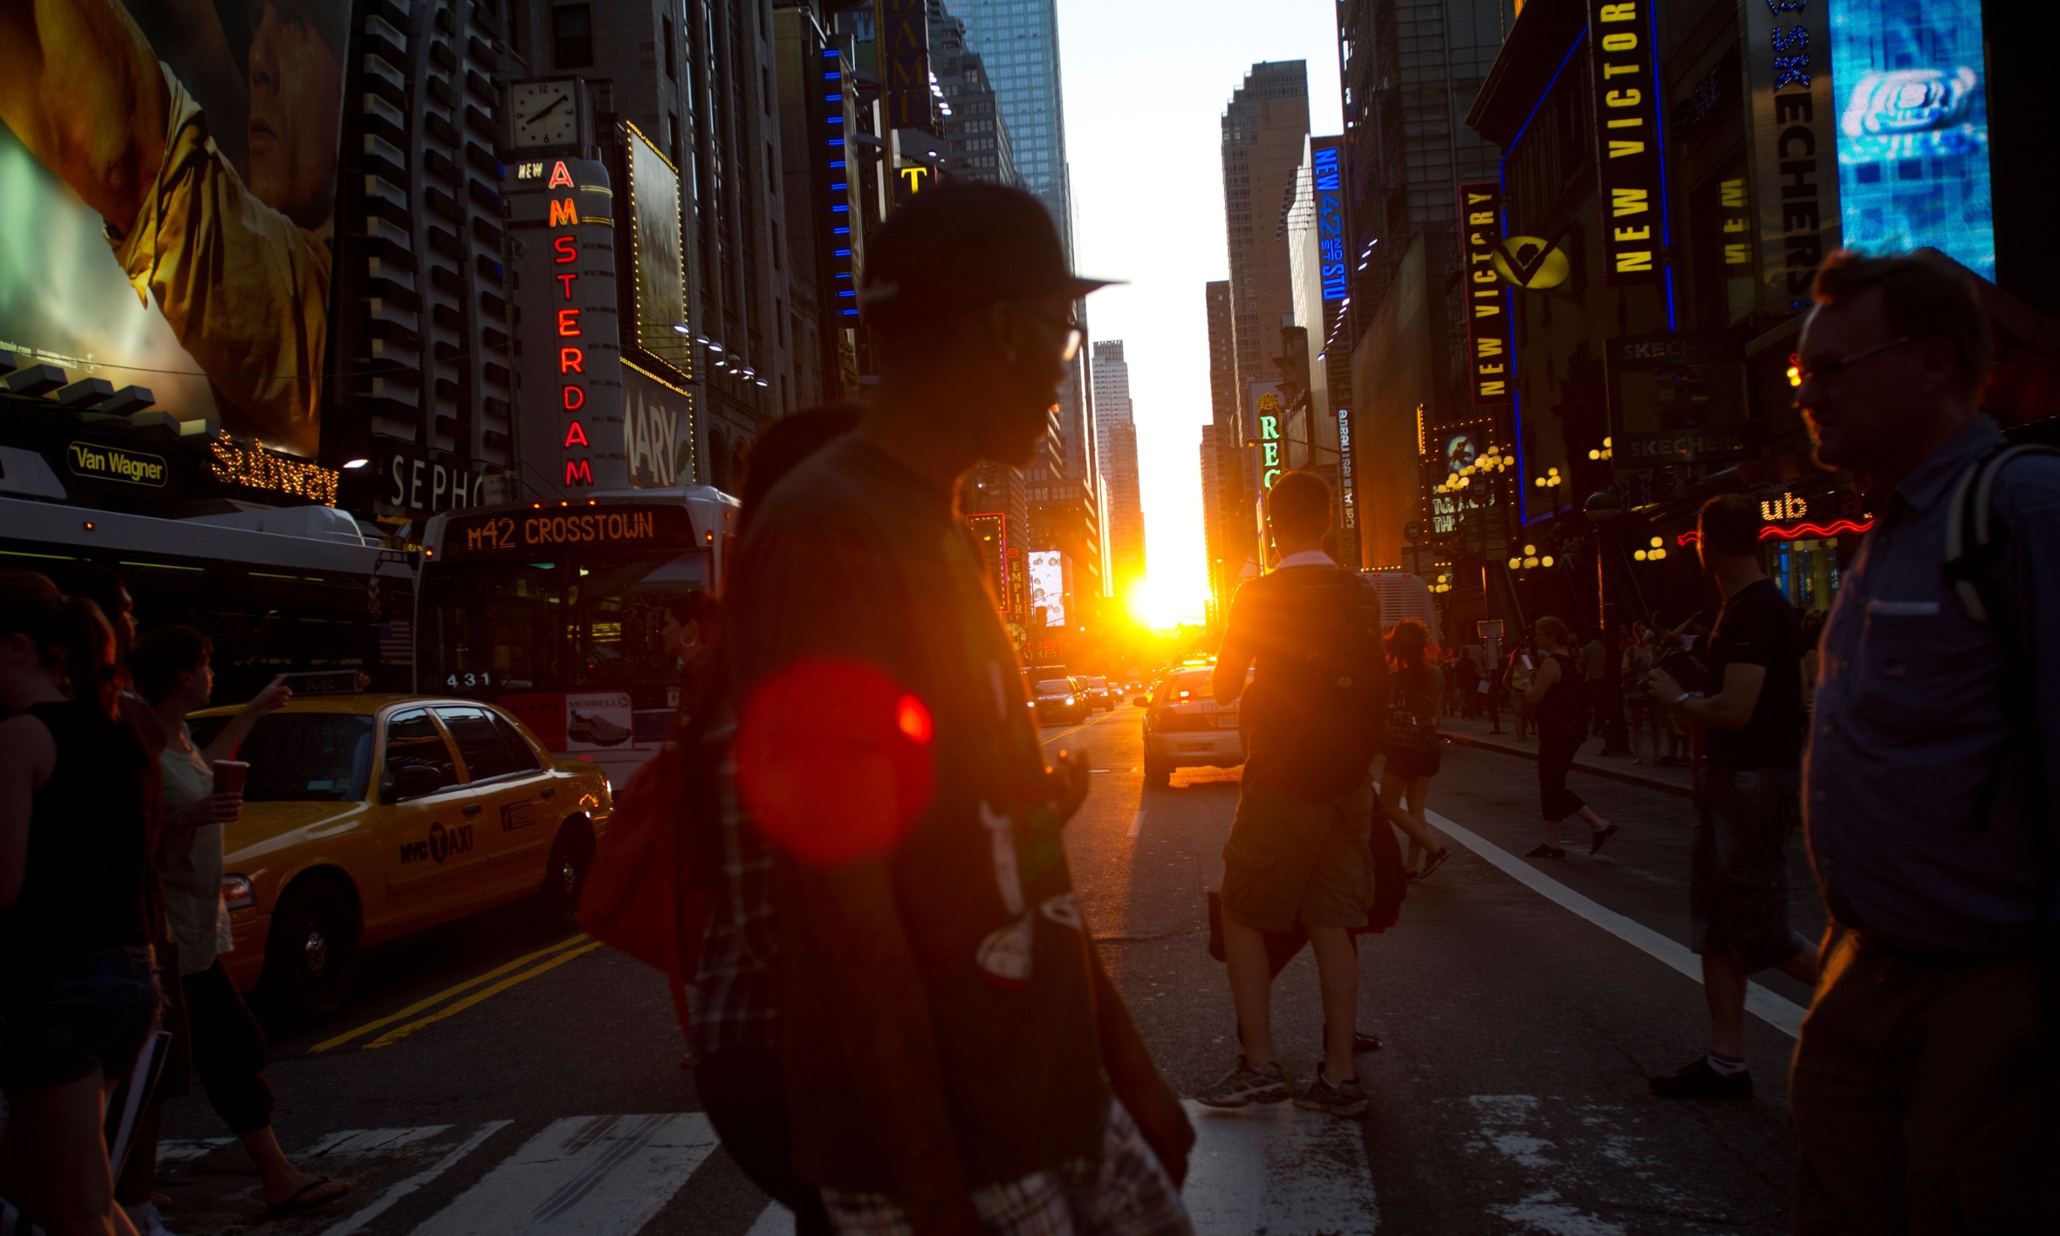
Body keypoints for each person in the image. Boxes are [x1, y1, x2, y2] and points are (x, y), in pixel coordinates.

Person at [724, 183, 1193, 1234]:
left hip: (1050, 1108)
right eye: (1059, 336)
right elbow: (840, 902)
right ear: (998, 331)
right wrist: (932, 1190)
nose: (1061, 372)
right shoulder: (826, 534)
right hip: (951, 1151)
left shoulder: (934, 525)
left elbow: (1026, 855)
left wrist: (1125, 1069)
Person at [1787, 251, 2060, 1230]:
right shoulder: (1888, 529)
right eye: (1799, 376)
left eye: (1831, 371)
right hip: (1863, 971)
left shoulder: (2019, 513)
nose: (1810, 396)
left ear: (1933, 362)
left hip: (1982, 991)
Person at [0, 0, 347, 455]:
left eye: (296, 25)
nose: (258, 63)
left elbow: (128, 156)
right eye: (253, 27)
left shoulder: (334, 318)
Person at [689, 403, 861, 1236]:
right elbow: (808, 931)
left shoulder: (769, 654)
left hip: (774, 1054)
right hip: (791, 1052)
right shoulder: (792, 681)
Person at [126, 627, 352, 1222]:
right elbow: (127, 832)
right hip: (165, 934)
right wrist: (196, 816)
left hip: (196, 929)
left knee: (159, 1061)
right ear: (184, 674)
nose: (211, 676)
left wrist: (254, 710)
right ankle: (275, 1177)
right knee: (225, 1052)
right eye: (206, 665)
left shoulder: (175, 737)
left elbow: (217, 758)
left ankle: (132, 1184)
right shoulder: (140, 741)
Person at [1199, 470, 1387, 1120]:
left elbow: (1223, 686)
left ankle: (1260, 1065)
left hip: (1282, 778)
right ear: (1330, 521)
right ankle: (1338, 1077)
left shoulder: (1259, 594)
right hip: (1348, 780)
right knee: (1332, 921)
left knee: (1244, 912)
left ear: (1273, 526)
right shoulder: (1361, 594)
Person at [1644, 497, 1820, 1097]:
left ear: (1705, 544)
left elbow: (1738, 710)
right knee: (1716, 930)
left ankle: (1883, 1017)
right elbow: (1793, 696)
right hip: (1733, 777)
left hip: (1750, 781)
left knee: (1764, 932)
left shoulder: (1754, 611)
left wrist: (1676, 697)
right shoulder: (1759, 609)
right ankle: (1727, 1062)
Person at [0, 572, 156, 1236]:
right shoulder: (120, 732)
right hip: (130, 977)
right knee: (53, 1183)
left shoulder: (21, 739)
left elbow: (2, 885)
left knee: (74, 1206)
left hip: (56, 982)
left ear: (15, 647)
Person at [1523, 616, 1617, 859]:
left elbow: (1534, 698)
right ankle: (1553, 842)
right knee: (1551, 784)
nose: (1536, 638)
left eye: (1539, 634)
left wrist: (1526, 682)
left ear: (1552, 636)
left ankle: (1598, 823)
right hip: (1569, 733)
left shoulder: (1551, 664)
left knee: (1553, 784)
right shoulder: (1570, 662)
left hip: (1556, 733)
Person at [1380, 620, 1451, 881]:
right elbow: (1436, 708)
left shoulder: (1395, 679)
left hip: (1405, 745)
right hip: (1430, 742)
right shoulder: (1436, 674)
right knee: (1416, 806)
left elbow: (1383, 710)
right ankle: (1411, 867)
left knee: (1388, 805)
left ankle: (1435, 849)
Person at [1621, 626, 1660, 765]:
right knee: (1636, 724)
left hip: (1651, 689)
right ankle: (1638, 754)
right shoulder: (1631, 651)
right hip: (1637, 691)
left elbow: (1659, 665)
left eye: (1643, 630)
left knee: (1655, 723)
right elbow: (1623, 672)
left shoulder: (1654, 649)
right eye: (1638, 631)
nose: (1641, 633)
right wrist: (1634, 668)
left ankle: (1657, 753)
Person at [1505, 639, 1535, 741]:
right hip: (1516, 691)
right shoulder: (1513, 665)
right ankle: (1519, 735)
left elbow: (1533, 673)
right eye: (1521, 654)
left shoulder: (1528, 664)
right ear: (1516, 655)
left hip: (1525, 691)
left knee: (1525, 714)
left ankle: (1524, 733)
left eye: (1525, 653)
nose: (1523, 655)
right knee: (1518, 713)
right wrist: (1510, 691)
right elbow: (1505, 680)